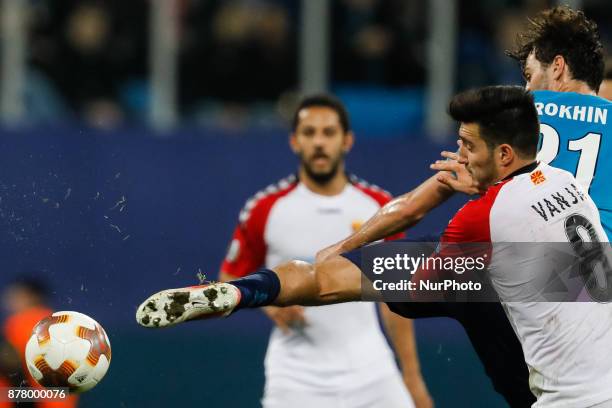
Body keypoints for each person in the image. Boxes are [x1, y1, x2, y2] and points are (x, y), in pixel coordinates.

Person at [138, 85, 612, 407]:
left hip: (574, 400)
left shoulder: (481, 216)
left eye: (468, 145)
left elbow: (412, 292)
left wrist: (345, 258)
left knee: (365, 276)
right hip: (584, 339)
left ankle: (244, 292)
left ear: (504, 154)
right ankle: (248, 291)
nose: (460, 155)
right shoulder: (567, 183)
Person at [219, 94, 430, 408]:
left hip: (372, 372)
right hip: (295, 377)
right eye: (309, 133)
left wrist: (412, 378)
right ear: (294, 142)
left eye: (328, 133)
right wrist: (272, 306)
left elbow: (393, 298)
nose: (319, 142)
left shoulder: (380, 207)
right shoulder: (265, 208)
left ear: (347, 141)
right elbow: (231, 277)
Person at [2, 278, 79, 408]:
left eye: (16, 296)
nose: (9, 301)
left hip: (39, 399)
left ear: (31, 297)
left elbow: (10, 362)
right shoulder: (61, 322)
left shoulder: (20, 322)